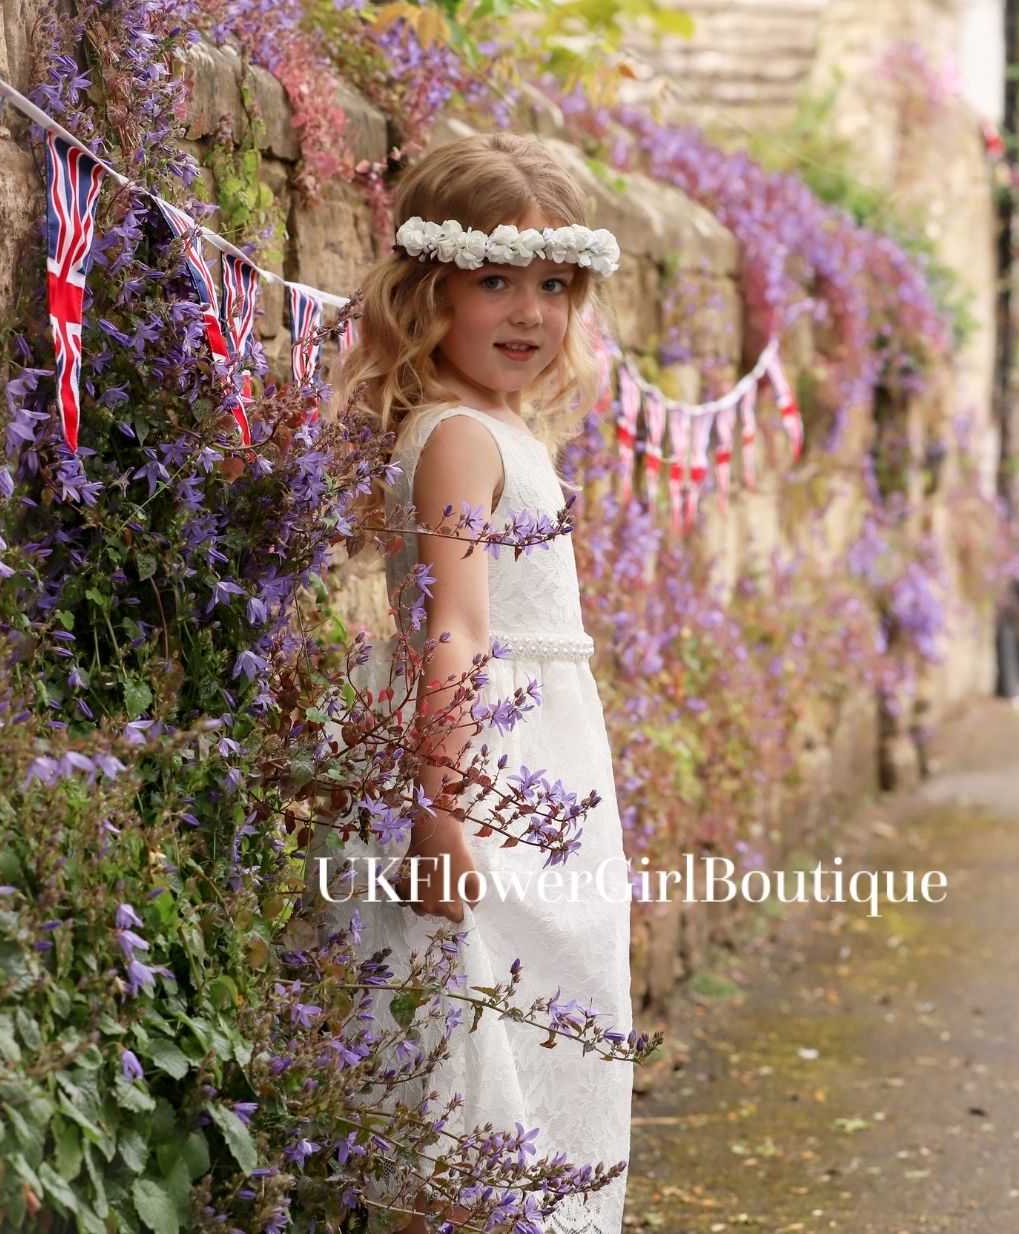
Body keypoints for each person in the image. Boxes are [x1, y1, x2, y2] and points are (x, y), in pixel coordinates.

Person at [323, 132, 634, 1234]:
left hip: (543, 770)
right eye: (493, 280)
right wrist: (441, 812)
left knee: (528, 1049)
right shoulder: (458, 435)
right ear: (428, 287)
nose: (528, 311)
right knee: (467, 1078)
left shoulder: (502, 426)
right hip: (490, 783)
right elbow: (450, 632)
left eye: (552, 285)